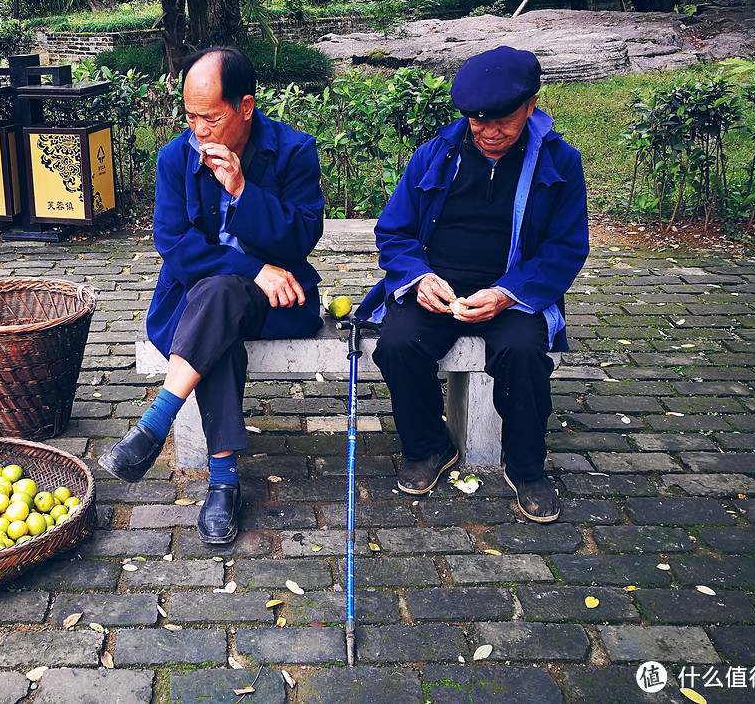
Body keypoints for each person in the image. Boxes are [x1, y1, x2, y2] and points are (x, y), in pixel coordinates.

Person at [99, 46, 324, 544]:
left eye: (210, 117)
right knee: (217, 305)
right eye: (188, 116)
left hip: (279, 302)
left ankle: (158, 431)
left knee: (217, 303)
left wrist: (244, 191)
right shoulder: (175, 157)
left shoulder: (292, 150)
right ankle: (221, 483)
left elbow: (302, 238)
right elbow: (175, 248)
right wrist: (251, 268)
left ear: (246, 106)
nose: (197, 129)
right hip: (196, 298)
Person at [357, 46, 589, 523]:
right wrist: (418, 277)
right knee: (397, 344)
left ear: (530, 105)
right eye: (476, 121)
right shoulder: (436, 154)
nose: (488, 132)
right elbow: (394, 231)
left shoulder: (561, 162)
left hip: (514, 292)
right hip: (438, 288)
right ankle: (429, 446)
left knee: (523, 355)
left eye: (501, 120)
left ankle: (525, 466)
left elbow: (566, 248)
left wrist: (506, 294)